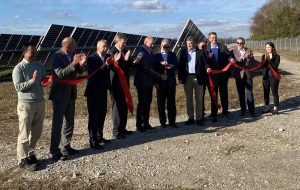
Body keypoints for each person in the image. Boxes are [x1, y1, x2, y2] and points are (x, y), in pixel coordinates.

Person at [49, 37, 86, 162]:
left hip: (71, 93)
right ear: (67, 46)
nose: (76, 48)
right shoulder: (56, 57)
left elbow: (78, 71)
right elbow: (59, 73)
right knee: (57, 124)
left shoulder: (72, 54)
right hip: (59, 95)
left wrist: (81, 64)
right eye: (74, 46)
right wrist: (74, 63)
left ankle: (66, 147)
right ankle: (54, 151)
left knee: (69, 122)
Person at [12, 42, 46, 171]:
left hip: (39, 102)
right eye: (32, 51)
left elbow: (42, 80)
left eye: (35, 51)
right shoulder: (18, 68)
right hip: (26, 104)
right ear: (24, 53)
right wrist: (32, 81)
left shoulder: (39, 65)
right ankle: (22, 159)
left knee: (36, 132)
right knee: (24, 133)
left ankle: (30, 155)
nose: (35, 53)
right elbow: (18, 87)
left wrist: (45, 81)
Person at [84, 40, 117, 149]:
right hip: (93, 91)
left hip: (103, 90)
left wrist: (114, 63)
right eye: (104, 47)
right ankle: (93, 141)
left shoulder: (107, 56)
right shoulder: (92, 58)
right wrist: (105, 65)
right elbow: (92, 73)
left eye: (107, 46)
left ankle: (99, 136)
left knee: (102, 114)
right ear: (98, 47)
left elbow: (112, 69)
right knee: (94, 116)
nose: (106, 48)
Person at [134, 36, 167, 132]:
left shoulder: (150, 52)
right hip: (142, 82)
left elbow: (153, 67)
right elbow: (147, 68)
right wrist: (159, 76)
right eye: (151, 43)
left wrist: (155, 81)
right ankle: (139, 125)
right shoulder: (141, 52)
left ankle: (146, 123)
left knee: (147, 103)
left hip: (149, 82)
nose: (153, 45)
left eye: (153, 43)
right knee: (142, 103)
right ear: (145, 42)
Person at [178, 36, 209, 126]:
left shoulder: (201, 52)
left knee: (199, 98)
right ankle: (190, 118)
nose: (189, 45)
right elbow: (180, 66)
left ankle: (199, 118)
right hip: (187, 78)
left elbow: (205, 63)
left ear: (194, 44)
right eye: (187, 44)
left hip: (198, 77)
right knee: (189, 98)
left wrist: (208, 68)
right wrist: (180, 78)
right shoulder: (183, 52)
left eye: (191, 44)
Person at [109, 33, 134, 139]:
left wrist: (133, 62)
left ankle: (123, 128)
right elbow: (113, 67)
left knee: (124, 105)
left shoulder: (124, 51)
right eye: (124, 42)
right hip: (116, 84)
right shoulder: (111, 52)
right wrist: (125, 60)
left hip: (124, 83)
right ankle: (116, 131)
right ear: (118, 41)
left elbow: (126, 66)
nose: (125, 44)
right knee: (117, 106)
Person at [206, 32, 232, 122]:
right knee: (214, 94)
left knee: (224, 93)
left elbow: (228, 56)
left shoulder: (222, 47)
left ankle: (225, 111)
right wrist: (208, 58)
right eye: (212, 38)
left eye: (215, 37)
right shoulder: (206, 48)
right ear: (209, 39)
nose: (214, 39)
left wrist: (231, 59)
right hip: (212, 75)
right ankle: (214, 113)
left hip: (223, 74)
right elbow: (203, 60)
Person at [154, 38, 178, 128]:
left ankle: (172, 121)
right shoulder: (156, 56)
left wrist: (172, 66)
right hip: (160, 82)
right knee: (161, 103)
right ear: (161, 45)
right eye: (164, 46)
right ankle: (163, 122)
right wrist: (155, 82)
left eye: (168, 46)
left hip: (171, 82)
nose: (166, 48)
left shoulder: (173, 54)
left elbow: (177, 65)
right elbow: (154, 69)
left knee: (171, 103)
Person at [231, 37, 256, 117]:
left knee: (249, 93)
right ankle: (243, 110)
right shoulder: (233, 51)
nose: (239, 44)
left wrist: (248, 58)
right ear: (236, 43)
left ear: (244, 43)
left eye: (241, 43)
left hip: (248, 74)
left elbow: (252, 62)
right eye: (238, 43)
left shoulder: (249, 50)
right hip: (239, 75)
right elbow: (234, 62)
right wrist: (242, 58)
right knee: (241, 93)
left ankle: (252, 111)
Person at [261, 42, 280, 115]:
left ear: (272, 48)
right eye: (266, 47)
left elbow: (275, 66)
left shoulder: (277, 56)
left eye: (269, 47)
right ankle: (267, 108)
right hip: (265, 76)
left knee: (274, 92)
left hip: (274, 76)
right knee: (266, 92)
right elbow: (262, 67)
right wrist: (264, 60)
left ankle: (276, 108)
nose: (267, 49)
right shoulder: (263, 56)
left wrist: (269, 59)